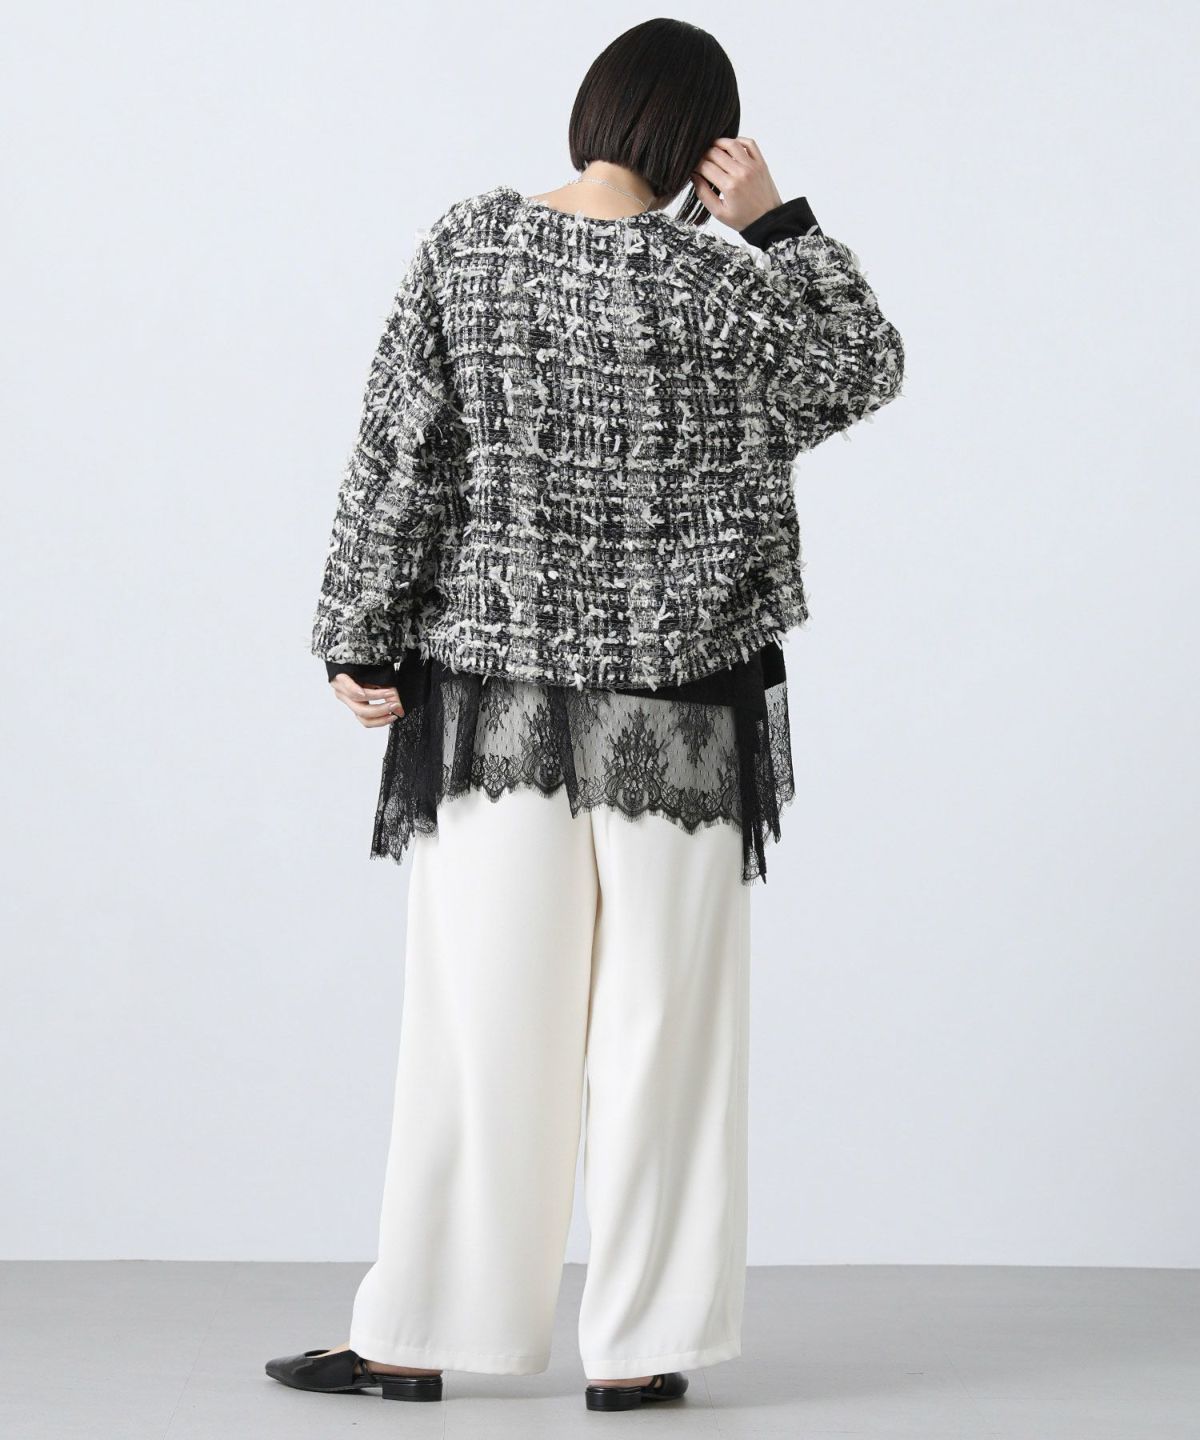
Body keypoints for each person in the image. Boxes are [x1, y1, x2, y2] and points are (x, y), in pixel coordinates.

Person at [266, 17, 904, 1416]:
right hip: (678, 710)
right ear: (704, 143)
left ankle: (414, 1336)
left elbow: (400, 450)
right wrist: (779, 222)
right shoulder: (717, 285)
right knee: (665, 1027)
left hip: (497, 701)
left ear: (593, 108)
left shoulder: (472, 247)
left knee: (480, 1019)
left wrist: (357, 630)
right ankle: (639, 1348)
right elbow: (863, 365)